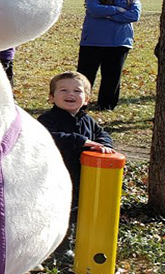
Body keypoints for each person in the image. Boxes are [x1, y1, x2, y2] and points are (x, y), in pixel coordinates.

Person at [38, 71, 113, 249]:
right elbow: (50, 137)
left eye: (77, 91)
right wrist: (81, 141)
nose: (70, 94)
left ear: (86, 99)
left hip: (82, 178)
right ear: (51, 97)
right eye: (63, 90)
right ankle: (58, 250)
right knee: (58, 213)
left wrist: (103, 144)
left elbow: (103, 134)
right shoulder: (47, 120)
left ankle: (77, 245)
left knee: (78, 213)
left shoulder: (88, 121)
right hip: (55, 177)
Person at [77, 0, 141, 110]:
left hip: (119, 42)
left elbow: (134, 15)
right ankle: (80, 103)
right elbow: (94, 9)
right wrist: (117, 10)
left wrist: (107, 14)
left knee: (112, 76)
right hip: (93, 41)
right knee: (86, 75)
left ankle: (106, 105)